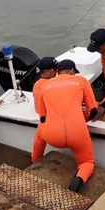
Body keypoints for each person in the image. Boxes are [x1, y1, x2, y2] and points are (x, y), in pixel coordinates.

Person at [31, 59, 98, 192]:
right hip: (77, 134)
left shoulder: (45, 85)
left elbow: (43, 117)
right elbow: (93, 111)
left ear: (58, 72)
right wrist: (82, 119)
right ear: (72, 71)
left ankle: (35, 160)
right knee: (87, 162)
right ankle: (79, 178)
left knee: (40, 130)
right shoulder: (81, 81)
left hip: (53, 136)